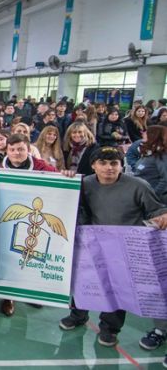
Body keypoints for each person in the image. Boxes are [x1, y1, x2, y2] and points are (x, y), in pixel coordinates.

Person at [58, 147, 167, 347]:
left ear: (121, 165)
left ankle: (109, 329)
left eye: (114, 163)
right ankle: (78, 315)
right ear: (93, 166)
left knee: (117, 288)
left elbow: (157, 210)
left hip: (125, 248)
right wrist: (66, 177)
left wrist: (162, 217)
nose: (109, 168)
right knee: (86, 282)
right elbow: (64, 198)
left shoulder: (138, 186)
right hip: (92, 244)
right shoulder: (84, 183)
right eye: (103, 163)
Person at [0, 133, 56, 317]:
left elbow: (57, 182)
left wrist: (67, 174)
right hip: (5, 220)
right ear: (7, 150)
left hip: (32, 220)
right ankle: (8, 296)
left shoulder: (40, 166)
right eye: (12, 149)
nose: (16, 153)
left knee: (32, 256)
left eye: (20, 149)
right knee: (7, 258)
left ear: (28, 149)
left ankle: (29, 291)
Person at [133, 125, 167, 203]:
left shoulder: (161, 155)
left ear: (153, 135)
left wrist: (153, 195)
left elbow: (165, 179)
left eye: (146, 132)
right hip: (142, 196)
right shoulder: (148, 153)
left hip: (157, 201)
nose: (143, 134)